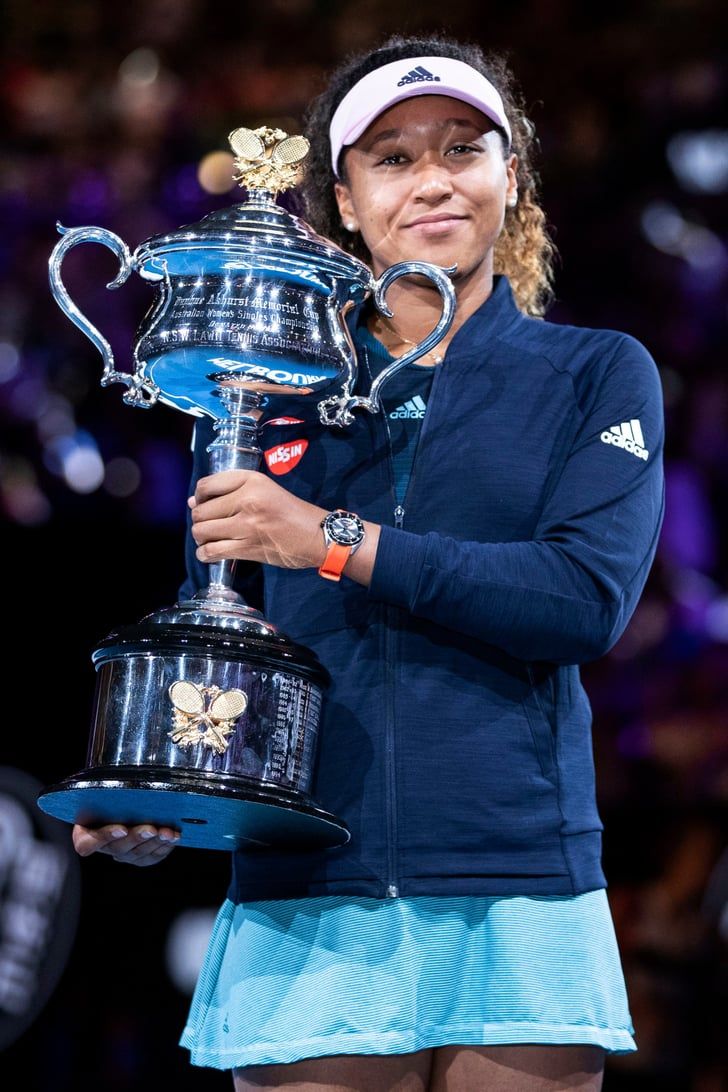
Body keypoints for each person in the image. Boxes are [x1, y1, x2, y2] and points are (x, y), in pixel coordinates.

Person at [72, 31, 665, 1092]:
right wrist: (169, 784)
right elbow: (225, 633)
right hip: (310, 896)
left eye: (459, 150)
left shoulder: (594, 372)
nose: (431, 180)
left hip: (518, 884)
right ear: (342, 201)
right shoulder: (263, 391)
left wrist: (332, 542)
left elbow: (579, 602)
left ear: (507, 177)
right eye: (391, 158)